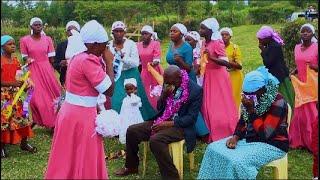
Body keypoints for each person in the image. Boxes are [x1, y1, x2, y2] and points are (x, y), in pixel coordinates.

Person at [45, 20, 115, 179]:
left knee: (69, 154)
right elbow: (109, 90)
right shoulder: (88, 61)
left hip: (71, 112)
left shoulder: (78, 56)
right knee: (84, 153)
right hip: (81, 116)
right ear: (95, 44)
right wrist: (110, 62)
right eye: (105, 45)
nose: (106, 49)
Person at [198, 66, 289, 179]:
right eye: (245, 94)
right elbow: (242, 122)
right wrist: (235, 137)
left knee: (238, 163)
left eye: (251, 95)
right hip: (250, 138)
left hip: (273, 144)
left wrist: (251, 111)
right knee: (212, 148)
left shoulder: (277, 102)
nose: (247, 97)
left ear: (262, 90)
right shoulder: (251, 98)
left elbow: (266, 134)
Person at [114, 65, 202, 179]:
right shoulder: (168, 83)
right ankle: (131, 167)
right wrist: (164, 95)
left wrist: (169, 123)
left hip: (181, 126)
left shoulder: (195, 91)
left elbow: (191, 118)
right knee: (132, 130)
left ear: (179, 78)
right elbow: (160, 108)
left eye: (170, 82)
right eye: (165, 82)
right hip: (163, 119)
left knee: (156, 140)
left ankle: (172, 177)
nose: (167, 84)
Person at [199, 18, 238, 143]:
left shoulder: (217, 43)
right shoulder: (205, 43)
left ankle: (224, 130)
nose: (200, 30)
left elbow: (226, 62)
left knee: (219, 105)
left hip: (218, 77)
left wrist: (211, 57)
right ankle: (211, 130)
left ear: (211, 30)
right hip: (208, 76)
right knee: (208, 104)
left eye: (203, 28)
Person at [20, 17, 62, 129]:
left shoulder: (48, 39)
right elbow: (25, 57)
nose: (38, 26)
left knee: (53, 95)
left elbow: (51, 59)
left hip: (46, 69)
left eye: (40, 25)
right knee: (36, 98)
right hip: (33, 70)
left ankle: (54, 123)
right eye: (35, 24)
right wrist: (27, 59)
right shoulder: (24, 40)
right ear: (31, 27)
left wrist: (54, 72)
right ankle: (38, 119)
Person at [109, 21, 156, 120]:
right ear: (112, 33)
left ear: (124, 32)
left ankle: (138, 121)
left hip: (131, 74)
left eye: (121, 31)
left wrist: (122, 58)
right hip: (117, 75)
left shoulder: (130, 44)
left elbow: (135, 62)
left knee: (135, 99)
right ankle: (119, 123)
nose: (118, 34)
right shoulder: (109, 46)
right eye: (116, 31)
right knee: (118, 100)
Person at [1, 35, 36, 158]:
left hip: (16, 96)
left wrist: (25, 84)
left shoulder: (15, 60)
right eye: (9, 44)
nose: (13, 46)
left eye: (13, 43)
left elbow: (19, 77)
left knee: (21, 118)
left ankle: (24, 143)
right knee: (4, 120)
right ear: (2, 47)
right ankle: (2, 147)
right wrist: (13, 84)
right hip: (4, 97)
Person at [289, 23, 318, 152]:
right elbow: (299, 63)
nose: (305, 33)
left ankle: (313, 142)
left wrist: (313, 67)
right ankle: (299, 140)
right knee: (300, 112)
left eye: (308, 31)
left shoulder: (316, 47)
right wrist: (294, 72)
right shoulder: (296, 48)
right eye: (303, 31)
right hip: (300, 85)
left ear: (312, 34)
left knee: (311, 112)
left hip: (311, 85)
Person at [256, 26, 295, 111]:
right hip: (278, 74)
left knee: (283, 96)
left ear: (267, 38)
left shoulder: (274, 46)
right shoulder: (271, 44)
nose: (259, 42)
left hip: (279, 76)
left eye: (260, 39)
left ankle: (286, 112)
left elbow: (268, 63)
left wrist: (263, 51)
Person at [137, 25, 163, 109]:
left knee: (155, 91)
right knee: (145, 91)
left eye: (146, 34)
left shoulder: (155, 44)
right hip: (144, 71)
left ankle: (157, 109)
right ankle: (148, 110)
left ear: (151, 35)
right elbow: (138, 59)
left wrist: (153, 64)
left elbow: (157, 59)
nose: (144, 36)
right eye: (142, 34)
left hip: (154, 71)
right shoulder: (138, 45)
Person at [220, 27, 243, 112]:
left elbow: (239, 66)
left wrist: (227, 62)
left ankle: (236, 115)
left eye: (226, 35)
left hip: (234, 76)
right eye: (222, 35)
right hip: (222, 76)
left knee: (234, 96)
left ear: (230, 36)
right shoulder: (218, 47)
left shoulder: (234, 48)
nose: (224, 36)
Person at [53, 20, 81, 86]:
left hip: (81, 79)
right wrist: (61, 64)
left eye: (74, 30)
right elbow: (55, 64)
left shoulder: (84, 45)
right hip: (66, 79)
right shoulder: (61, 46)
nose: (71, 32)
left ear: (79, 32)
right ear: (66, 33)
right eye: (69, 30)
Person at [119, 78, 144, 144]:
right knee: (126, 127)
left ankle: (136, 137)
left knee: (136, 127)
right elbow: (123, 109)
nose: (129, 91)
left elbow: (134, 102)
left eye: (131, 89)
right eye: (127, 89)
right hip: (126, 117)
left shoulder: (136, 98)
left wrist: (134, 94)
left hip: (135, 116)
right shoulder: (125, 99)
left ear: (135, 89)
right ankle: (127, 137)